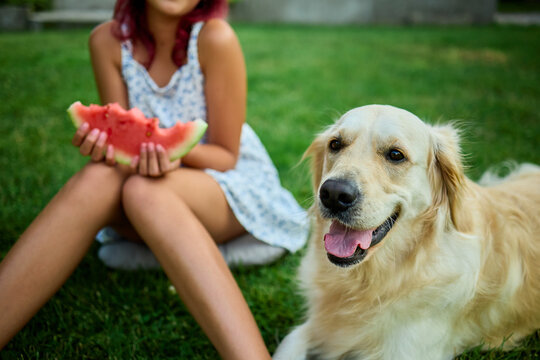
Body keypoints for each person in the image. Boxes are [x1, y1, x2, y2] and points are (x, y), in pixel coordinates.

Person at [0, 0, 308, 358]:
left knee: (144, 191)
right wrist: (106, 148)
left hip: (224, 184)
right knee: (98, 178)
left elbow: (225, 156)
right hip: (139, 180)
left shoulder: (214, 38)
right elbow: (123, 144)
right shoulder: (106, 42)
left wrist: (171, 155)